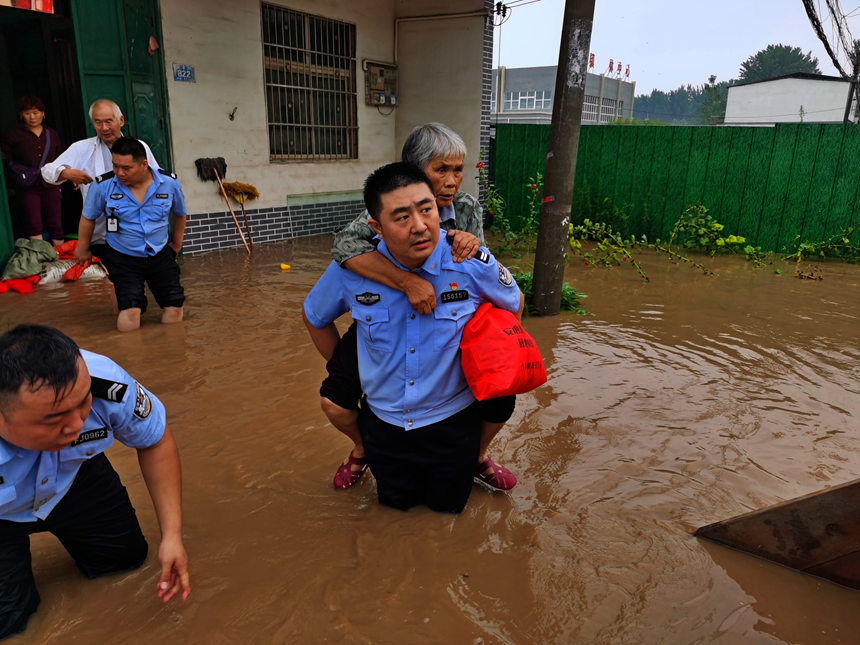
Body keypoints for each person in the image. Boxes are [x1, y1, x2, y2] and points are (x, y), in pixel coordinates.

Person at [304, 162, 524, 513]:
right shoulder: (351, 271)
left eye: (427, 210)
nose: (420, 226)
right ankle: (363, 453)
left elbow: (514, 303)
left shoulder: (470, 262)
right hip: (384, 428)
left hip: (453, 424)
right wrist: (351, 373)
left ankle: (478, 460)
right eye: (402, 217)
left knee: (448, 519)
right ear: (376, 226)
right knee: (394, 517)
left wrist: (492, 360)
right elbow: (315, 316)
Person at [0, 324, 190, 639]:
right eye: (54, 419)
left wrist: (172, 536)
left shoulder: (105, 380)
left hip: (74, 479)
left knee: (127, 565)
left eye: (83, 403)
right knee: (8, 623)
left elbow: (154, 440)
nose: (76, 425)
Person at [76, 137, 186, 332]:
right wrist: (82, 248)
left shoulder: (168, 183)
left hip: (159, 253)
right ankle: (130, 357)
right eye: (115, 166)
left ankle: (171, 354)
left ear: (144, 164)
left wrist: (176, 244)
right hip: (122, 255)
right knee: (131, 307)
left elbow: (179, 214)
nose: (119, 173)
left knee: (174, 304)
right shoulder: (103, 185)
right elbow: (88, 218)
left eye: (126, 168)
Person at [41, 99, 160, 259]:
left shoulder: (140, 147)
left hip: (136, 233)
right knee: (108, 278)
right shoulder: (82, 148)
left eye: (108, 121)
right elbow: (47, 171)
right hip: (100, 235)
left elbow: (158, 182)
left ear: (121, 120)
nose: (104, 128)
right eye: (98, 122)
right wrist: (67, 173)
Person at [1, 96, 65, 245]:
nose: (32, 117)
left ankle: (61, 255)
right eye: (27, 113)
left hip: (51, 183)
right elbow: (6, 159)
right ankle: (39, 254)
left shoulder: (51, 134)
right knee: (33, 221)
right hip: (27, 185)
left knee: (55, 220)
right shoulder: (13, 133)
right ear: (21, 114)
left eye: (36, 112)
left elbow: (61, 158)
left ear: (43, 113)